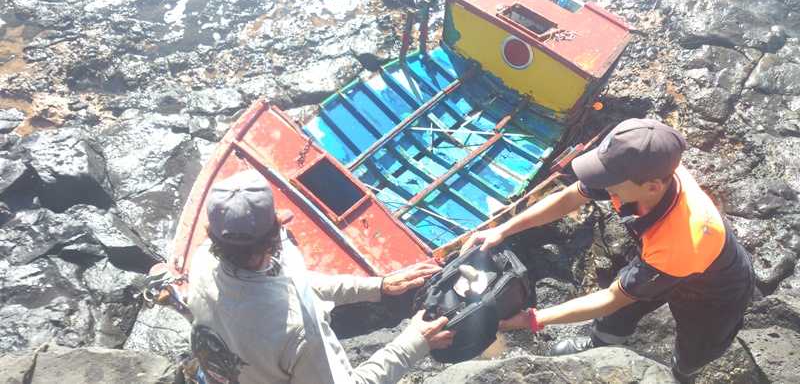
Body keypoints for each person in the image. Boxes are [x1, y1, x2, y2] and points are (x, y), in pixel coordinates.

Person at [461, 118, 754, 383]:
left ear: (652, 188)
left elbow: (612, 299)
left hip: (712, 292)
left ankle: (681, 373)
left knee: (697, 347)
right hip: (658, 254)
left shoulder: (680, 240)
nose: (600, 184)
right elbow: (569, 198)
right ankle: (603, 346)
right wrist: (502, 230)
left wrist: (533, 319)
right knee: (619, 313)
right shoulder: (645, 165)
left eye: (609, 181)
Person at [187, 169, 455, 384]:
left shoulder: (201, 259)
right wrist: (414, 343)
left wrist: (378, 286)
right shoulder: (299, 331)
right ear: (277, 231)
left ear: (211, 231)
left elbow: (294, 282)